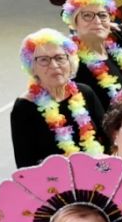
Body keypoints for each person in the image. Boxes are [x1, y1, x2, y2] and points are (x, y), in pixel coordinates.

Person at [11, 29, 108, 166]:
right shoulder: (25, 107)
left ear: (70, 61)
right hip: (54, 185)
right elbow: (25, 164)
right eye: (44, 60)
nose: (54, 65)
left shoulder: (85, 93)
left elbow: (107, 139)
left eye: (59, 58)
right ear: (33, 68)